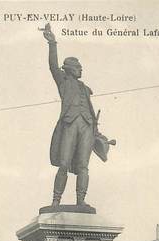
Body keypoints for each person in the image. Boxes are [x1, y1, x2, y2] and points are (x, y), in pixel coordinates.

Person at [43, 24, 98, 207]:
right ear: (69, 69)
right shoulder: (63, 81)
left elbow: (90, 109)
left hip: (87, 126)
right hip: (69, 124)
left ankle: (81, 200)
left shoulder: (85, 88)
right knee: (64, 163)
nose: (81, 70)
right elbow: (52, 66)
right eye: (78, 68)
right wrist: (52, 43)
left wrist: (95, 129)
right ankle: (56, 200)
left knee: (83, 165)